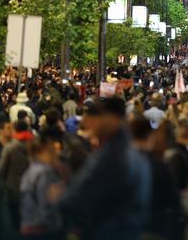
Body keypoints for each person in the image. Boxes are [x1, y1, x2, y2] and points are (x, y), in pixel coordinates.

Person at [56, 98, 152, 240]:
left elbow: (81, 197)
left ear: (111, 118)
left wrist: (61, 195)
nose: (92, 123)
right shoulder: (124, 149)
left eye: (97, 117)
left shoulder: (115, 155)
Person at [130, 115, 182, 240]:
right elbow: (173, 201)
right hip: (154, 228)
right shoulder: (158, 165)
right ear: (149, 136)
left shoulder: (117, 163)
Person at [20, 136, 64, 240]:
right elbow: (46, 203)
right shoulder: (44, 172)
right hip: (43, 228)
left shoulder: (30, 171)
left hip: (29, 226)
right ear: (39, 153)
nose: (54, 155)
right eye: (50, 151)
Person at [0, 119, 34, 230]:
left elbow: (0, 169)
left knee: (14, 221)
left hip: (12, 190)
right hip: (30, 188)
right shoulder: (34, 145)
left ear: (15, 130)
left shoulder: (10, 148)